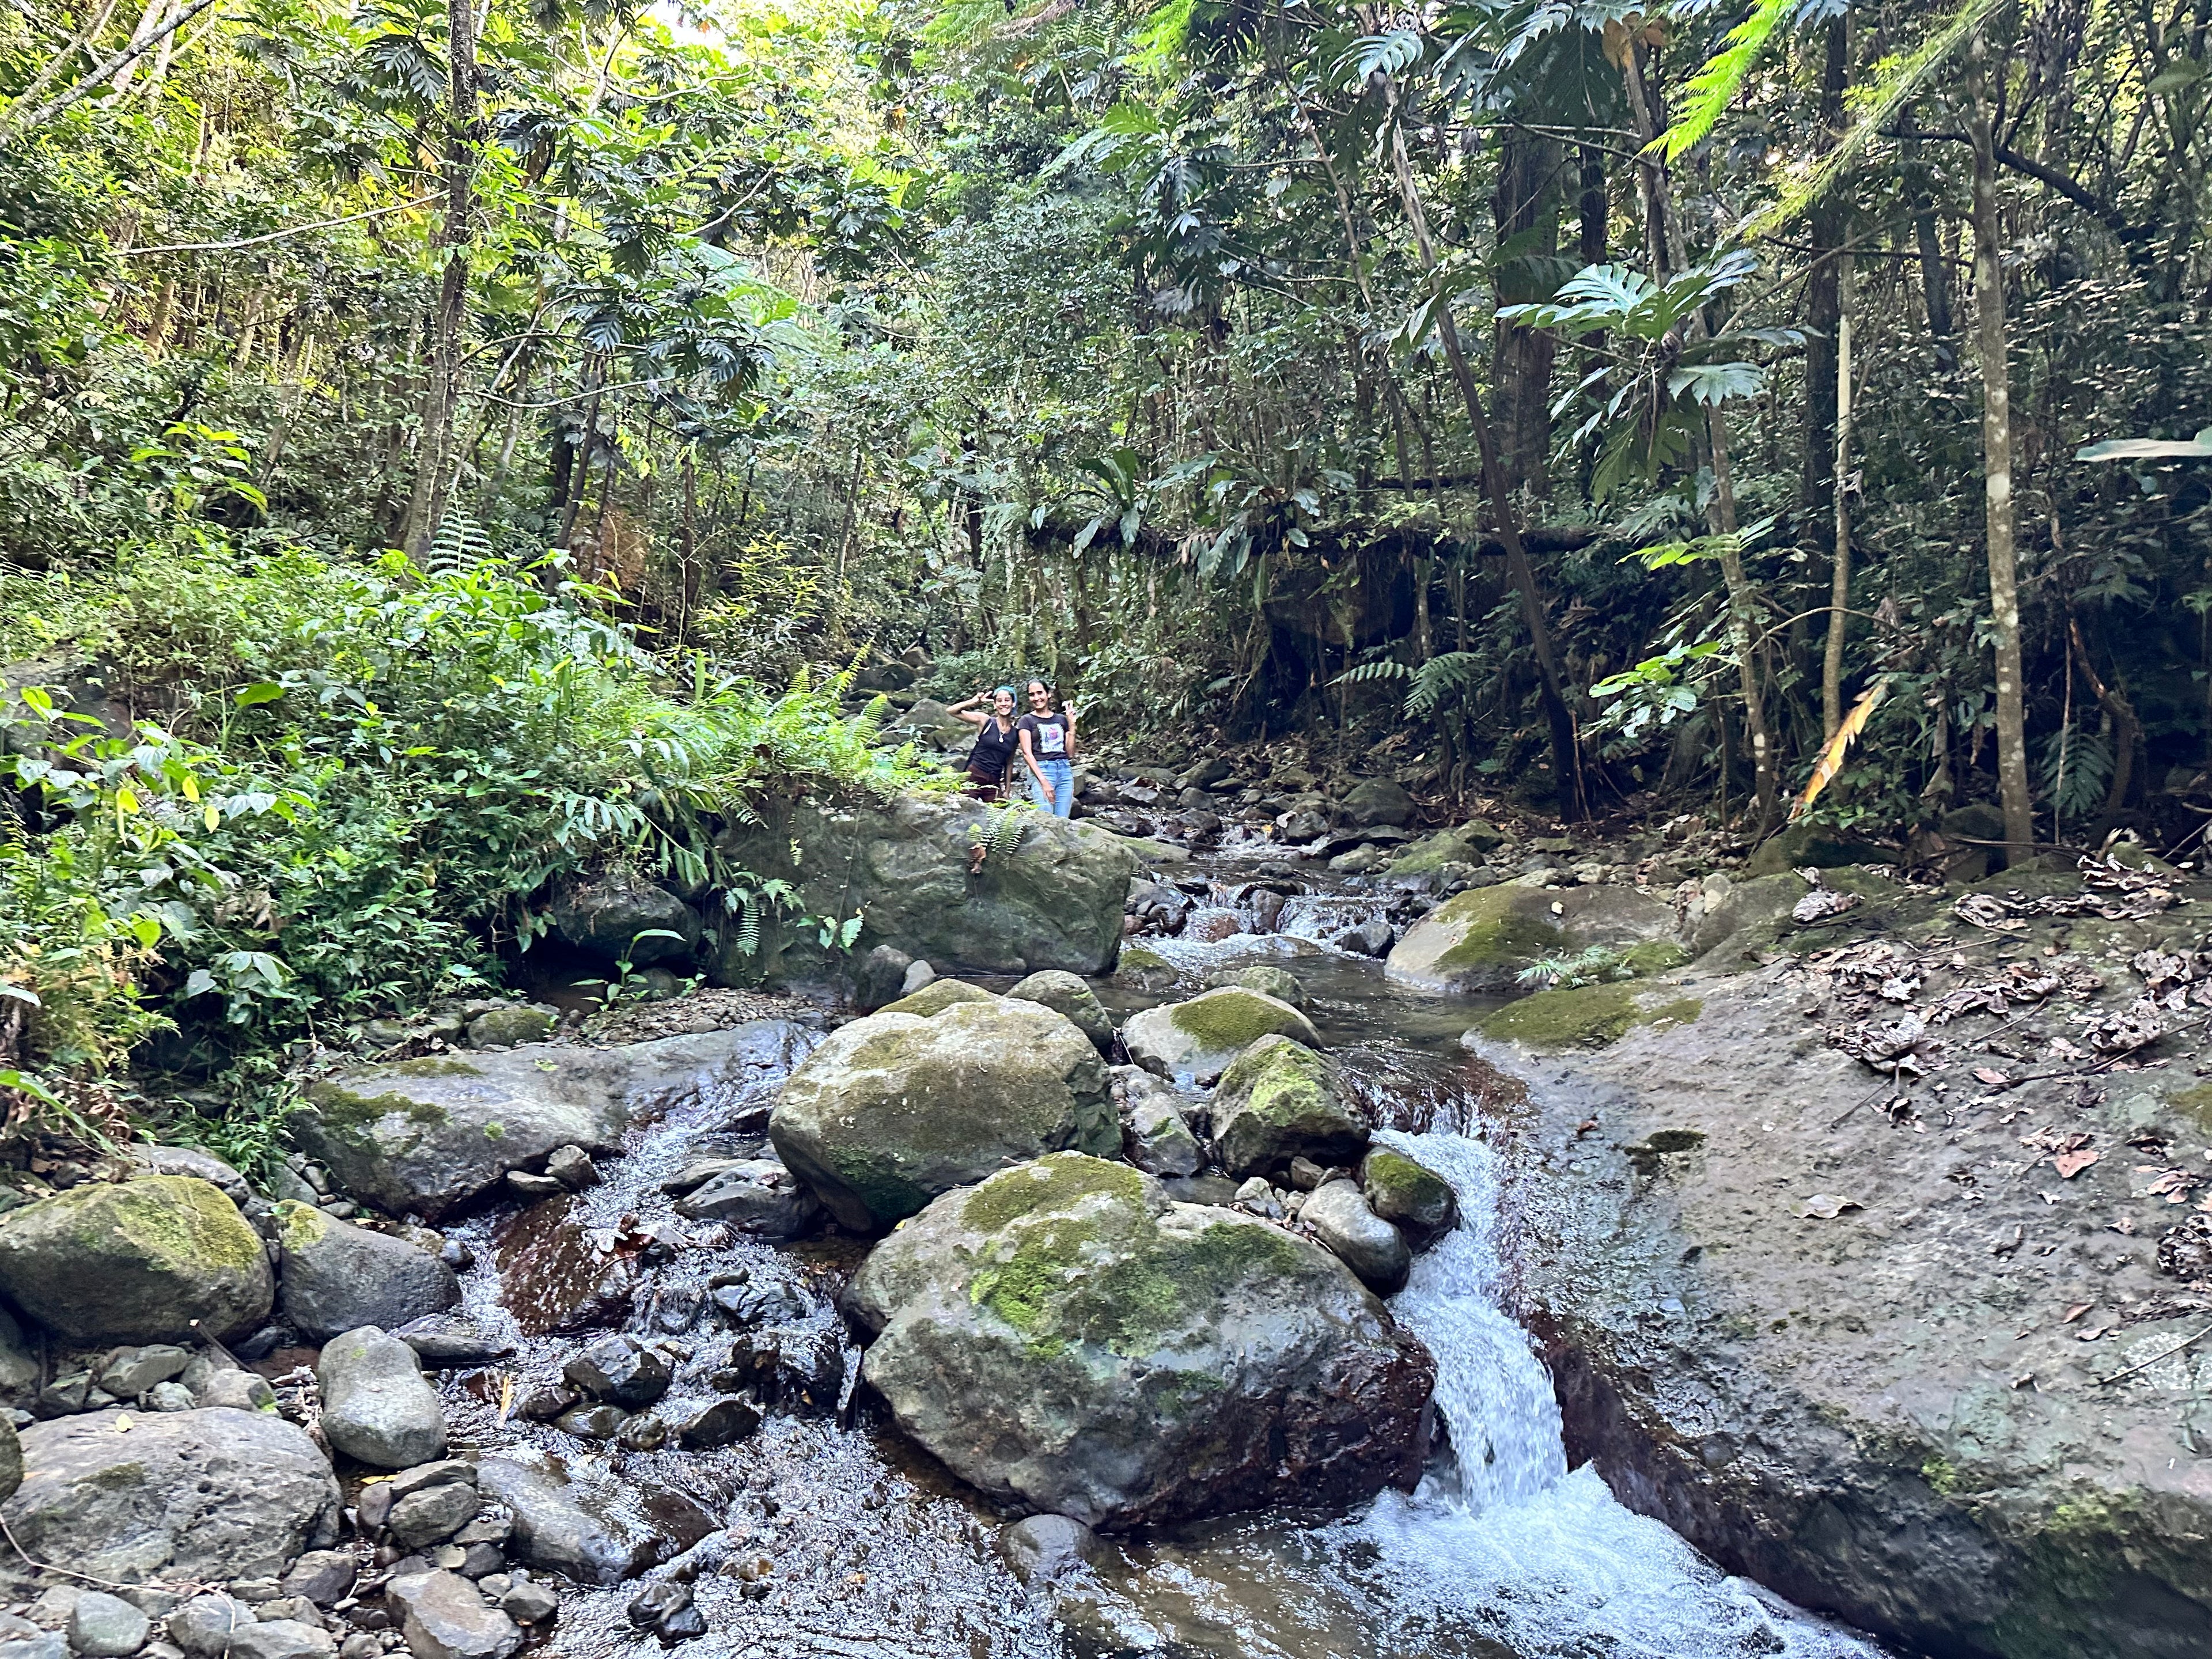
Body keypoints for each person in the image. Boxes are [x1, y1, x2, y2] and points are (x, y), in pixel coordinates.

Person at [1016, 679, 1078, 817]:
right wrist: (1043, 781)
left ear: (1048, 694)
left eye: (1040, 693)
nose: (1037, 698)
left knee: (1062, 820)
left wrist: (1072, 725)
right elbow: (1027, 753)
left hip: (1064, 770)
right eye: (1032, 695)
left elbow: (1070, 753)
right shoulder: (1026, 720)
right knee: (1046, 817)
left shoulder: (1061, 719)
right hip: (1042, 769)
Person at [949, 685, 1021, 800]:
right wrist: (972, 702)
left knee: (999, 813)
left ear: (1013, 703)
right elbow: (951, 711)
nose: (1003, 704)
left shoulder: (1015, 733)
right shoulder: (985, 721)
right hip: (974, 776)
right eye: (999, 701)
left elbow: (1009, 763)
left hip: (994, 781)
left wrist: (1007, 791)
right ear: (995, 705)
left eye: (1007, 700)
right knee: (965, 811)